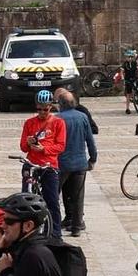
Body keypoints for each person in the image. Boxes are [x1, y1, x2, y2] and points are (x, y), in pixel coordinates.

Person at [18, 89, 66, 239]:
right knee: (26, 199)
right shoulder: (29, 123)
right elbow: (23, 147)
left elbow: (60, 146)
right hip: (32, 163)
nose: (42, 112)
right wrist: (28, 142)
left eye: (45, 109)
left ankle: (55, 232)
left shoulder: (58, 123)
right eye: (39, 109)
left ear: (50, 107)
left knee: (52, 200)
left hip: (49, 165)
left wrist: (44, 149)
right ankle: (27, 231)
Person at [54, 87, 98, 237]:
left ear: (61, 104)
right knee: (78, 195)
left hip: (61, 163)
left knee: (55, 194)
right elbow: (90, 140)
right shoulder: (82, 117)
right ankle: (76, 227)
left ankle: (55, 223)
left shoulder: (57, 119)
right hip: (79, 163)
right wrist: (92, 158)